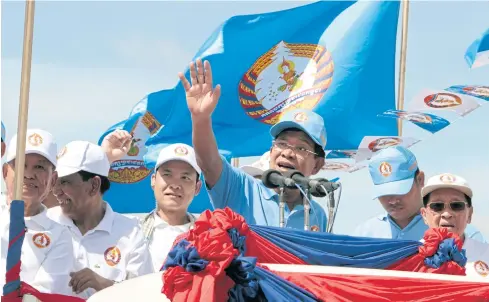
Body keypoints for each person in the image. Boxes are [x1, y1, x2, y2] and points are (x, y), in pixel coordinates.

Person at [179, 59, 328, 231]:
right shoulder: (242, 189)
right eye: (282, 143)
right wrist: (200, 119)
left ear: (317, 165)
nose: (287, 153)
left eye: (301, 148)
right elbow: (208, 163)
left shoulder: (317, 215)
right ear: (271, 150)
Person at [47, 140, 153, 299]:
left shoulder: (130, 234)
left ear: (94, 185)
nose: (56, 191)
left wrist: (103, 285)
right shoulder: (44, 223)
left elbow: (145, 295)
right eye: (54, 182)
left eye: (65, 182)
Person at [353, 146, 486, 242]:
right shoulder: (363, 235)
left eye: (400, 191)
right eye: (384, 193)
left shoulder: (464, 234)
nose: (392, 201)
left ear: (420, 179)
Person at [0, 129, 74, 295]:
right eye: (21, 165)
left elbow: (43, 294)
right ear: (5, 173)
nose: (28, 174)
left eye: (39, 167)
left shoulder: (59, 236)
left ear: (53, 180)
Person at [141, 143, 202, 272]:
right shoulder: (132, 232)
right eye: (167, 175)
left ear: (197, 187)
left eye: (185, 177)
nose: (175, 185)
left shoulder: (207, 236)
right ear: (153, 180)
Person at [420, 173, 489, 279]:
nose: (447, 214)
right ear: (424, 215)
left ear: (469, 214)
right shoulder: (410, 256)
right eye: (437, 206)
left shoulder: (486, 253)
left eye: (457, 205)